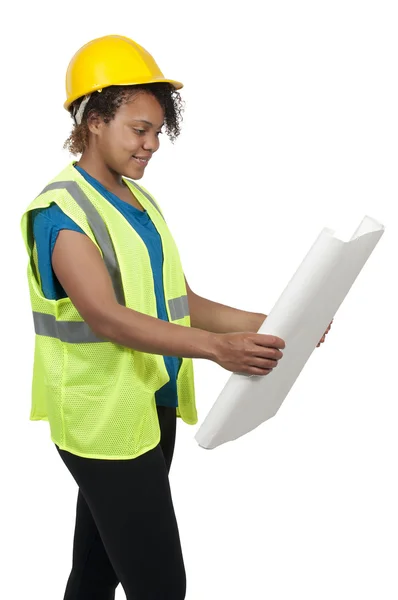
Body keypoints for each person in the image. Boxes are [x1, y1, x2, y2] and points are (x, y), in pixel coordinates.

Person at [20, 34, 330, 600]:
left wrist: (274, 321)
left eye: (158, 130)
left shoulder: (138, 201)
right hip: (101, 423)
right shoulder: (61, 212)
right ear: (93, 120)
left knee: (94, 574)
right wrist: (218, 350)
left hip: (147, 404)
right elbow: (107, 318)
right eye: (139, 129)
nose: (153, 144)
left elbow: (181, 301)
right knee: (160, 585)